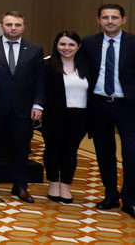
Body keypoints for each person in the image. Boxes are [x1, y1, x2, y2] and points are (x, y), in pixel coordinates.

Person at [0, 11, 45, 203]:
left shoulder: (34, 49)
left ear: (23, 27)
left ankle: (20, 185)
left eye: (17, 25)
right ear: (2, 26)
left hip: (23, 108)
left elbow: (40, 80)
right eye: (9, 24)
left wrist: (38, 104)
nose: (13, 28)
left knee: (21, 148)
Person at [83, 4, 135, 216]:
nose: (110, 21)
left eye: (114, 17)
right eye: (105, 17)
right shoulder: (88, 43)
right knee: (104, 153)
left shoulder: (133, 43)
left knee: (131, 154)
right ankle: (110, 195)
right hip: (99, 104)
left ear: (123, 19)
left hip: (127, 105)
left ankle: (130, 199)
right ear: (99, 20)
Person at [42, 30, 94, 204]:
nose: (67, 48)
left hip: (80, 116)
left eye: (71, 44)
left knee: (70, 151)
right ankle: (53, 182)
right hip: (54, 115)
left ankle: (65, 184)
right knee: (53, 149)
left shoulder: (87, 66)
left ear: (79, 46)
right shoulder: (47, 64)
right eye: (62, 44)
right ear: (56, 45)